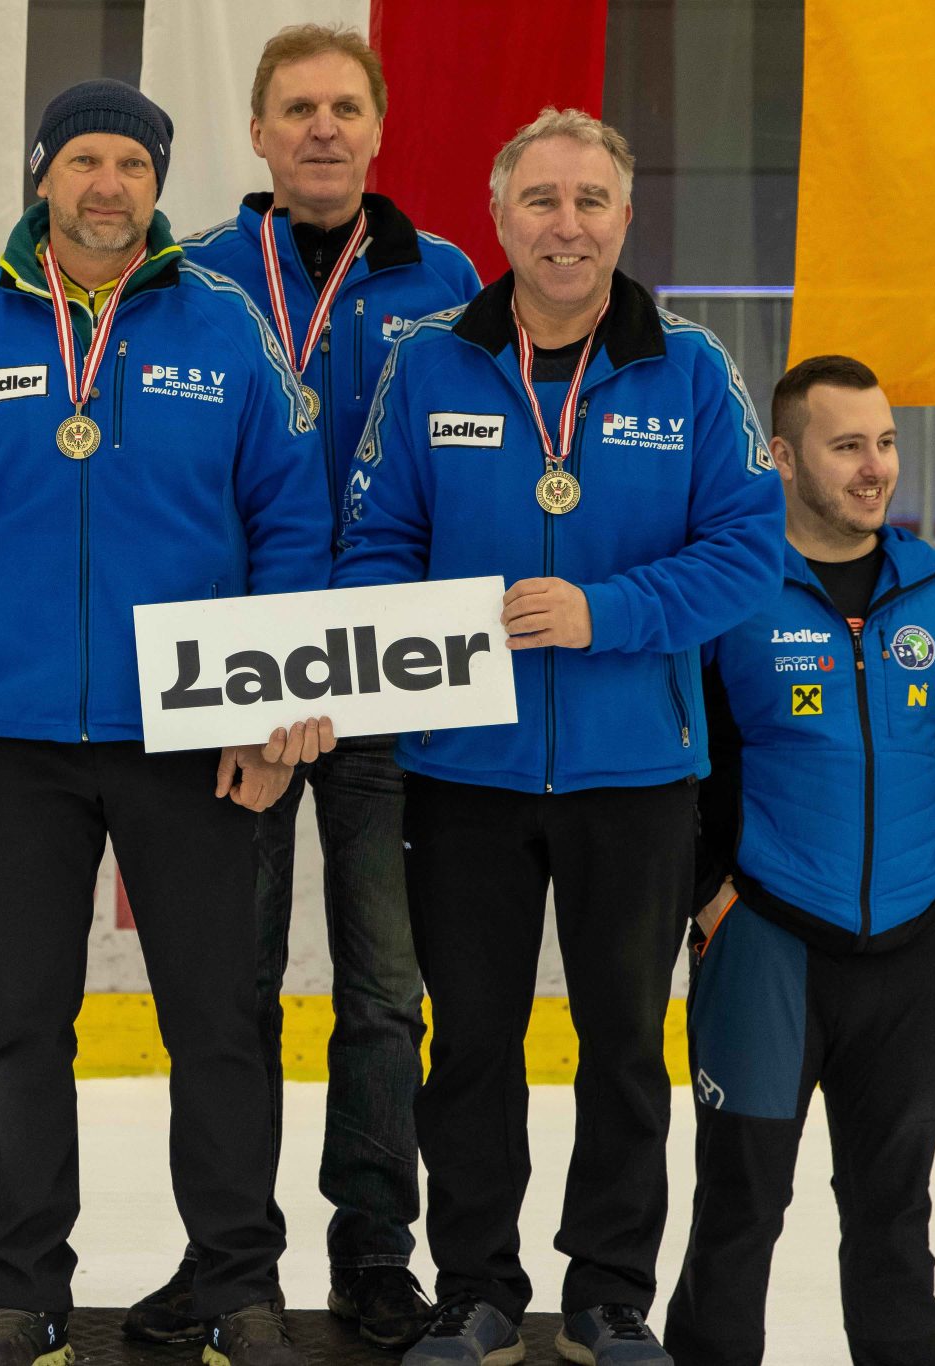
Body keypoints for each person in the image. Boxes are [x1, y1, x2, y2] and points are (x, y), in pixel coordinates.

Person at [0, 77, 332, 1366]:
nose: (106, 186)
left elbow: (290, 528)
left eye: (130, 166)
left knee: (219, 1023)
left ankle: (240, 1283)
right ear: (40, 177)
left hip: (191, 735)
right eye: (82, 161)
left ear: (155, 184)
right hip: (10, 742)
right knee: (18, 1023)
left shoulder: (225, 325)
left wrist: (269, 706)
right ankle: (25, 1293)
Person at [331, 107, 784, 1365]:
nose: (565, 223)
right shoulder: (426, 361)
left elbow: (746, 554)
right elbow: (374, 544)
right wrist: (386, 654)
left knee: (624, 1052)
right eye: (540, 200)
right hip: (460, 772)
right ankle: (475, 1287)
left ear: (624, 219)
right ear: (498, 217)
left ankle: (604, 1294)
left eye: (589, 200)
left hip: (634, 774)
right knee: (468, 1045)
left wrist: (606, 613)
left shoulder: (689, 368)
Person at [152, 25, 479, 1349]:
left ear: (380, 126)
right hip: (241, 677)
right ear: (259, 129)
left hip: (392, 668)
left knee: (385, 988)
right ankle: (229, 1255)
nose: (325, 128)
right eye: (299, 108)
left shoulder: (450, 278)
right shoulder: (195, 278)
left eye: (347, 106)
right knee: (223, 984)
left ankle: (374, 1250)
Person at [663, 354, 935, 1366]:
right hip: (766, 945)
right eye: (847, 445)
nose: (875, 468)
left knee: (894, 1221)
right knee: (737, 1211)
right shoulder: (729, 590)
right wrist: (711, 895)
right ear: (781, 456)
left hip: (914, 948)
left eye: (886, 443)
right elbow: (682, 751)